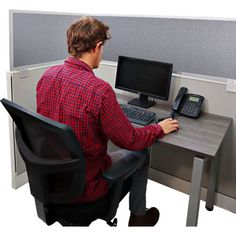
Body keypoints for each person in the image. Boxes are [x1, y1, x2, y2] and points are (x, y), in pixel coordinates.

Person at [36, 16, 179, 226]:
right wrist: (159, 127)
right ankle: (139, 216)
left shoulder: (46, 77)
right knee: (142, 152)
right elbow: (130, 140)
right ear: (98, 47)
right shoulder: (99, 91)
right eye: (103, 49)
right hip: (87, 187)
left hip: (53, 180)